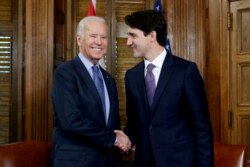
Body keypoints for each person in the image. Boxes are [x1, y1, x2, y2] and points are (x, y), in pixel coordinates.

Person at [123, 10, 214, 167]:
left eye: (133, 35)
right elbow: (134, 123)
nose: (128, 42)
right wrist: (123, 139)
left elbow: (202, 128)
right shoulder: (131, 76)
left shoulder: (186, 71)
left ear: (152, 36)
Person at [51, 16, 131, 167]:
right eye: (93, 36)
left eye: (104, 37)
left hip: (108, 161)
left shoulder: (109, 79)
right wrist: (113, 139)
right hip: (77, 162)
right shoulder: (65, 73)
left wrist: (121, 142)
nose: (99, 42)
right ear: (79, 40)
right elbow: (71, 122)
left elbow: (112, 125)